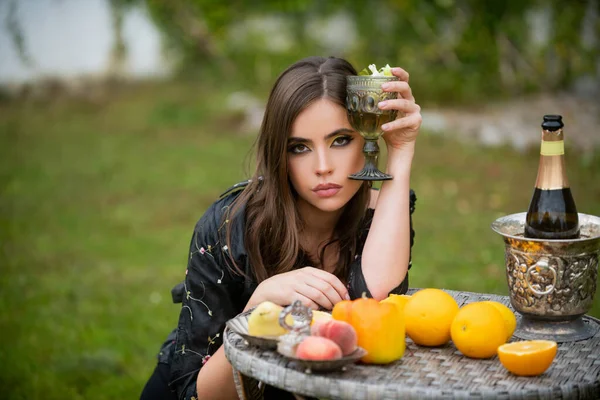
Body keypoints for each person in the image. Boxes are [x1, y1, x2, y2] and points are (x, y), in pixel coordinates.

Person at [140, 56, 422, 400]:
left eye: (341, 140)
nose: (322, 167)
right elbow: (198, 394)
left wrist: (402, 148)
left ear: (367, 133)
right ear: (279, 154)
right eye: (299, 148)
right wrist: (257, 312)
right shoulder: (230, 226)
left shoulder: (383, 214)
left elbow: (374, 295)